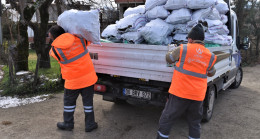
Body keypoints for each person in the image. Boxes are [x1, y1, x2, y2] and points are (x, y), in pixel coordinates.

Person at [157, 23, 218, 139]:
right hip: (197, 96)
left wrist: (171, 52)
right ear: (202, 40)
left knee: (167, 118)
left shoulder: (183, 48)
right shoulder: (209, 55)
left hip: (180, 93)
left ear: (190, 39)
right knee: (194, 123)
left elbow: (169, 59)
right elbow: (212, 72)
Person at [48, 25, 98, 132]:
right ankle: (90, 124)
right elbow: (89, 40)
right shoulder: (80, 40)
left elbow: (52, 54)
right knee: (88, 103)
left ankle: (68, 124)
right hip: (88, 79)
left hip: (72, 82)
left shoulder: (55, 51)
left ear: (53, 37)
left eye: (50, 36)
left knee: (69, 104)